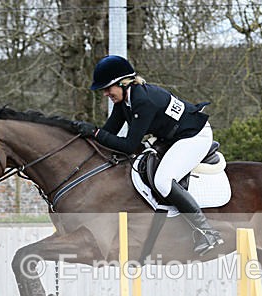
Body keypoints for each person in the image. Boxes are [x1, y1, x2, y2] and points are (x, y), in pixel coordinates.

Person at [74, 55, 223, 256]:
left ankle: (207, 232)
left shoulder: (143, 101)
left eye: (108, 88)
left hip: (194, 136)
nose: (105, 93)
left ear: (123, 83)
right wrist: (84, 135)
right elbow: (108, 133)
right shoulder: (126, 101)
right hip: (172, 137)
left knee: (163, 181)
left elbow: (128, 145)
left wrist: (95, 133)